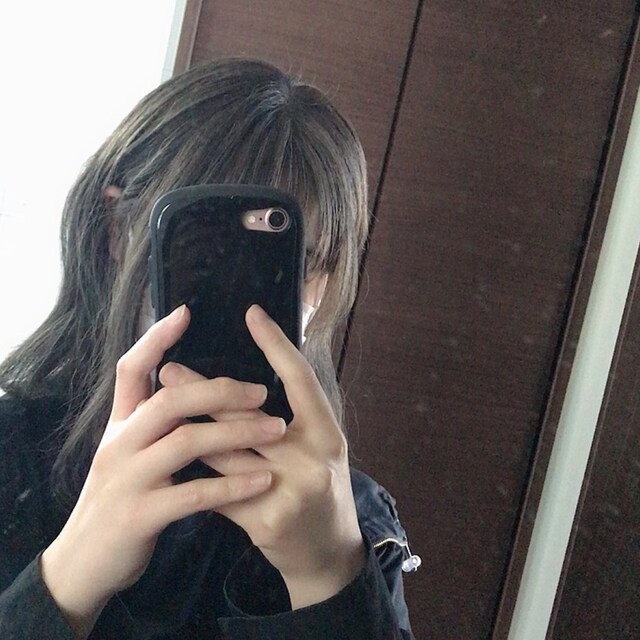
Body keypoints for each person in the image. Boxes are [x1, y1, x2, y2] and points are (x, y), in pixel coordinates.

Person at [0, 58, 416, 639]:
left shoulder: (353, 523)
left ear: (324, 278)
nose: (239, 298)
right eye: (206, 254)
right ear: (119, 233)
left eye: (287, 265)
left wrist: (327, 579)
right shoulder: (10, 455)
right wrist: (68, 578)